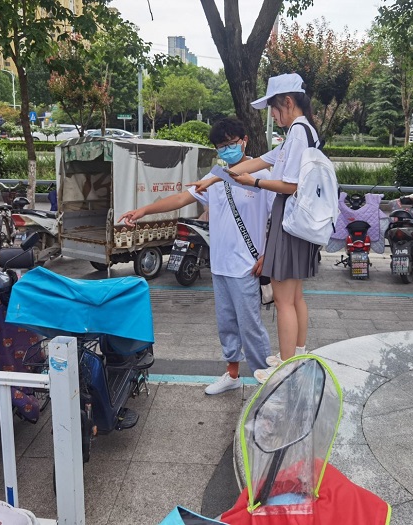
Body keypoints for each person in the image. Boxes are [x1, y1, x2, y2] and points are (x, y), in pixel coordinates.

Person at [118, 118, 274, 394]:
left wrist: (268, 255)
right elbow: (181, 199)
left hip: (247, 266)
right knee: (226, 324)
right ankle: (232, 375)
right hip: (220, 264)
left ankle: (270, 384)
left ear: (245, 141)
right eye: (221, 146)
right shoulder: (215, 177)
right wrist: (142, 211)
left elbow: (279, 215)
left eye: (231, 143)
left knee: (251, 327)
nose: (227, 149)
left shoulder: (261, 175)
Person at [189, 73, 321, 383]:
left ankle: (285, 365)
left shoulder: (297, 132)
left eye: (274, 108)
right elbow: (259, 161)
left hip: (290, 222)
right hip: (302, 224)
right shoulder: (306, 132)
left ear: (287, 102)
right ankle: (297, 354)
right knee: (296, 298)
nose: (273, 115)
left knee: (284, 300)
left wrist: (255, 183)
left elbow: (290, 185)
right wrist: (216, 178)